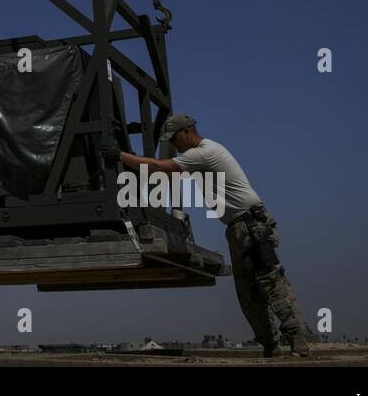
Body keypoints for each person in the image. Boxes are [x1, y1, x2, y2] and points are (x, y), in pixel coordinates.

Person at [119, 113, 312, 358]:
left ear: (187, 133)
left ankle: (299, 344)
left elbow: (159, 168)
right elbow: (170, 174)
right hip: (237, 227)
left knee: (271, 284)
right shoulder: (199, 156)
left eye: (175, 139)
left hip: (250, 225)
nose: (174, 146)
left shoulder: (205, 152)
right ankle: (272, 347)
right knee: (248, 296)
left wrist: (120, 156)